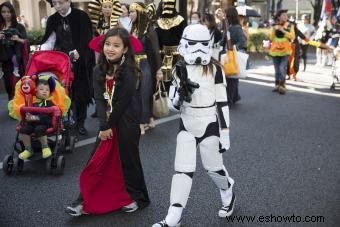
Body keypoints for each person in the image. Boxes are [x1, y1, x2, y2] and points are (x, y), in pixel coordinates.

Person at [153, 24, 235, 227]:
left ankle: (227, 190)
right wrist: (180, 96)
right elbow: (173, 105)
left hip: (209, 123)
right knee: (182, 170)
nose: (198, 50)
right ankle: (175, 214)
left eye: (202, 45)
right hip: (187, 123)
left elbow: (222, 102)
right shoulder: (179, 68)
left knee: (214, 169)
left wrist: (225, 133)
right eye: (193, 44)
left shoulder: (216, 69)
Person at [65, 28, 150, 216]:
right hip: (107, 123)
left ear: (125, 49)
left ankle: (138, 198)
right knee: (97, 159)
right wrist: (103, 126)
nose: (110, 49)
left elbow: (122, 103)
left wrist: (107, 125)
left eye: (116, 45)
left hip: (127, 121)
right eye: (108, 44)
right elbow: (100, 99)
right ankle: (83, 202)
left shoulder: (129, 71)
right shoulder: (98, 70)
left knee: (129, 161)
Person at [40, 0, 95, 135]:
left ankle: (80, 122)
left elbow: (87, 38)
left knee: (80, 93)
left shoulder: (81, 16)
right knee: (64, 92)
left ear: (69, 1)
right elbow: (50, 40)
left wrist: (79, 52)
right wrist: (42, 52)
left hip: (80, 61)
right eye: (55, 3)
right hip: (61, 62)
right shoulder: (53, 19)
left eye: (61, 3)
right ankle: (69, 120)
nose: (58, 6)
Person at [129, 2, 162, 135]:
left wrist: (159, 69)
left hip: (145, 65)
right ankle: (147, 118)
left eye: (132, 12)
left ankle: (142, 123)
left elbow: (156, 51)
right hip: (133, 65)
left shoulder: (149, 29)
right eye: (130, 12)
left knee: (144, 94)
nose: (130, 14)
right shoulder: (133, 28)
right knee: (135, 95)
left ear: (140, 12)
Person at [18, 76, 56, 160]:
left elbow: (47, 117)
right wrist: (28, 117)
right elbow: (29, 115)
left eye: (47, 90)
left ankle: (45, 147)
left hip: (45, 124)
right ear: (36, 91)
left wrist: (34, 117)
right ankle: (28, 149)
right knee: (23, 129)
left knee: (39, 129)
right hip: (33, 123)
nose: (44, 92)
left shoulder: (50, 103)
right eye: (41, 89)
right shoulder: (33, 103)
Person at [0, 2, 28, 100]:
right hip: (4, 61)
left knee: (19, 85)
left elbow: (26, 41)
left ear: (12, 12)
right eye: (3, 12)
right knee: (8, 85)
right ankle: (12, 106)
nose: (6, 14)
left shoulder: (19, 27)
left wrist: (18, 39)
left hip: (17, 61)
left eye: (9, 11)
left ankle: (21, 106)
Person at [155, 0, 186, 90]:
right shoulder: (159, 21)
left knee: (178, 80)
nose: (165, 6)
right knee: (164, 84)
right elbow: (158, 41)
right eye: (164, 4)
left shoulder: (180, 20)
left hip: (178, 56)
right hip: (163, 56)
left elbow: (183, 39)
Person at [269, 9, 295, 94]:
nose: (285, 17)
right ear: (279, 17)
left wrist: (283, 31)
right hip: (275, 50)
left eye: (286, 15)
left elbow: (292, 37)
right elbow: (271, 38)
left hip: (285, 50)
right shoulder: (275, 25)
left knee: (282, 68)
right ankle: (277, 85)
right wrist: (274, 29)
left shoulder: (290, 25)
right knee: (277, 70)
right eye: (283, 15)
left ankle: (282, 86)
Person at [224, 7, 246, 105]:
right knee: (232, 77)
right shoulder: (229, 26)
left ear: (229, 15)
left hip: (232, 54)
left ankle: (231, 98)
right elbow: (224, 39)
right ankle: (235, 96)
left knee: (231, 77)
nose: (224, 16)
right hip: (229, 54)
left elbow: (242, 42)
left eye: (226, 14)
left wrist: (232, 48)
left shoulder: (236, 27)